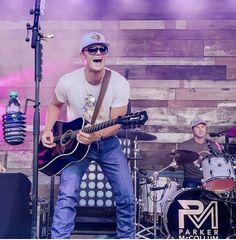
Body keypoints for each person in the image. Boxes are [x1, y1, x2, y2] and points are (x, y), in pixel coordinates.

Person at [41, 32, 135, 238]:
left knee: (126, 195)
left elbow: (117, 123)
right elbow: (55, 104)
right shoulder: (68, 81)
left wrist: (97, 136)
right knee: (67, 194)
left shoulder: (119, 83)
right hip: (75, 145)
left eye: (103, 49)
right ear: (83, 55)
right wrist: (47, 129)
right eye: (93, 49)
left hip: (107, 143)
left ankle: (127, 237)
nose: (98, 52)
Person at [178, 116, 222, 188]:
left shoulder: (213, 145)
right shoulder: (184, 145)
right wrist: (174, 165)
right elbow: (173, 167)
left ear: (205, 129)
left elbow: (219, 165)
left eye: (202, 127)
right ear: (192, 130)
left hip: (210, 179)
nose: (200, 130)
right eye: (197, 127)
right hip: (191, 179)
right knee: (190, 187)